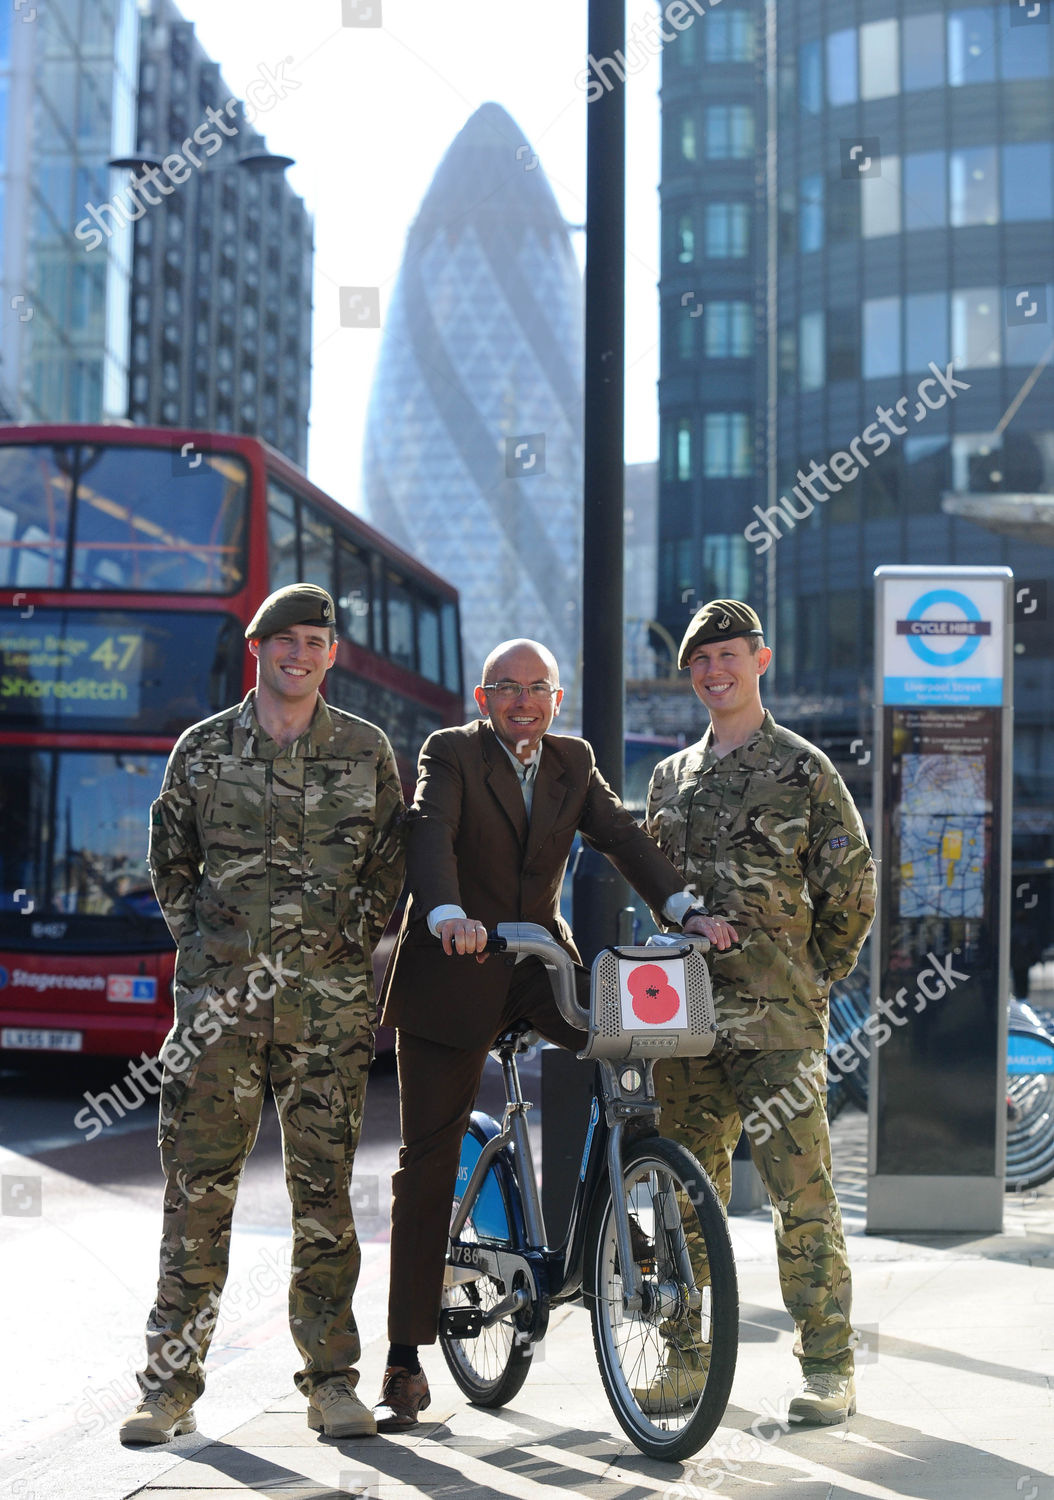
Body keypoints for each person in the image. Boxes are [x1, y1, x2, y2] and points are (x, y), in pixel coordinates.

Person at [370, 637, 730, 1431]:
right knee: (427, 1162)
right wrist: (444, 914)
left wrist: (686, 911)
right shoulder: (451, 753)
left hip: (536, 963)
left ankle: (632, 1190)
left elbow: (624, 837)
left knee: (627, 1049)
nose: (523, 701)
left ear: (557, 700)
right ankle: (403, 1357)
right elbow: (431, 831)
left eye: (538, 689)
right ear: (482, 696)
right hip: (454, 965)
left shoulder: (572, 760)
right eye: (507, 687)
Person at [120, 584, 405, 1446]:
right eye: (286, 639)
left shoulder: (366, 750)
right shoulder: (202, 750)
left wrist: (345, 951)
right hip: (219, 1022)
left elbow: (391, 866)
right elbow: (169, 860)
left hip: (329, 1017)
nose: (301, 653)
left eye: (316, 640)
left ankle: (331, 1385)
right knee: (196, 1197)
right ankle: (168, 1392)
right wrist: (208, 953)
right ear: (257, 646)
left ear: (330, 654)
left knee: (323, 1202)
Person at [645, 599, 876, 1425]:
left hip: (777, 1021)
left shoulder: (804, 769)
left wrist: (814, 975)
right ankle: (682, 1359)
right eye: (700, 661)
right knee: (682, 1192)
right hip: (687, 1021)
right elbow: (658, 889)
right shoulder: (668, 779)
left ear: (760, 660)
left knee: (799, 1191)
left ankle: (827, 1367)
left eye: (728, 656)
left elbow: (852, 888)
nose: (714, 672)